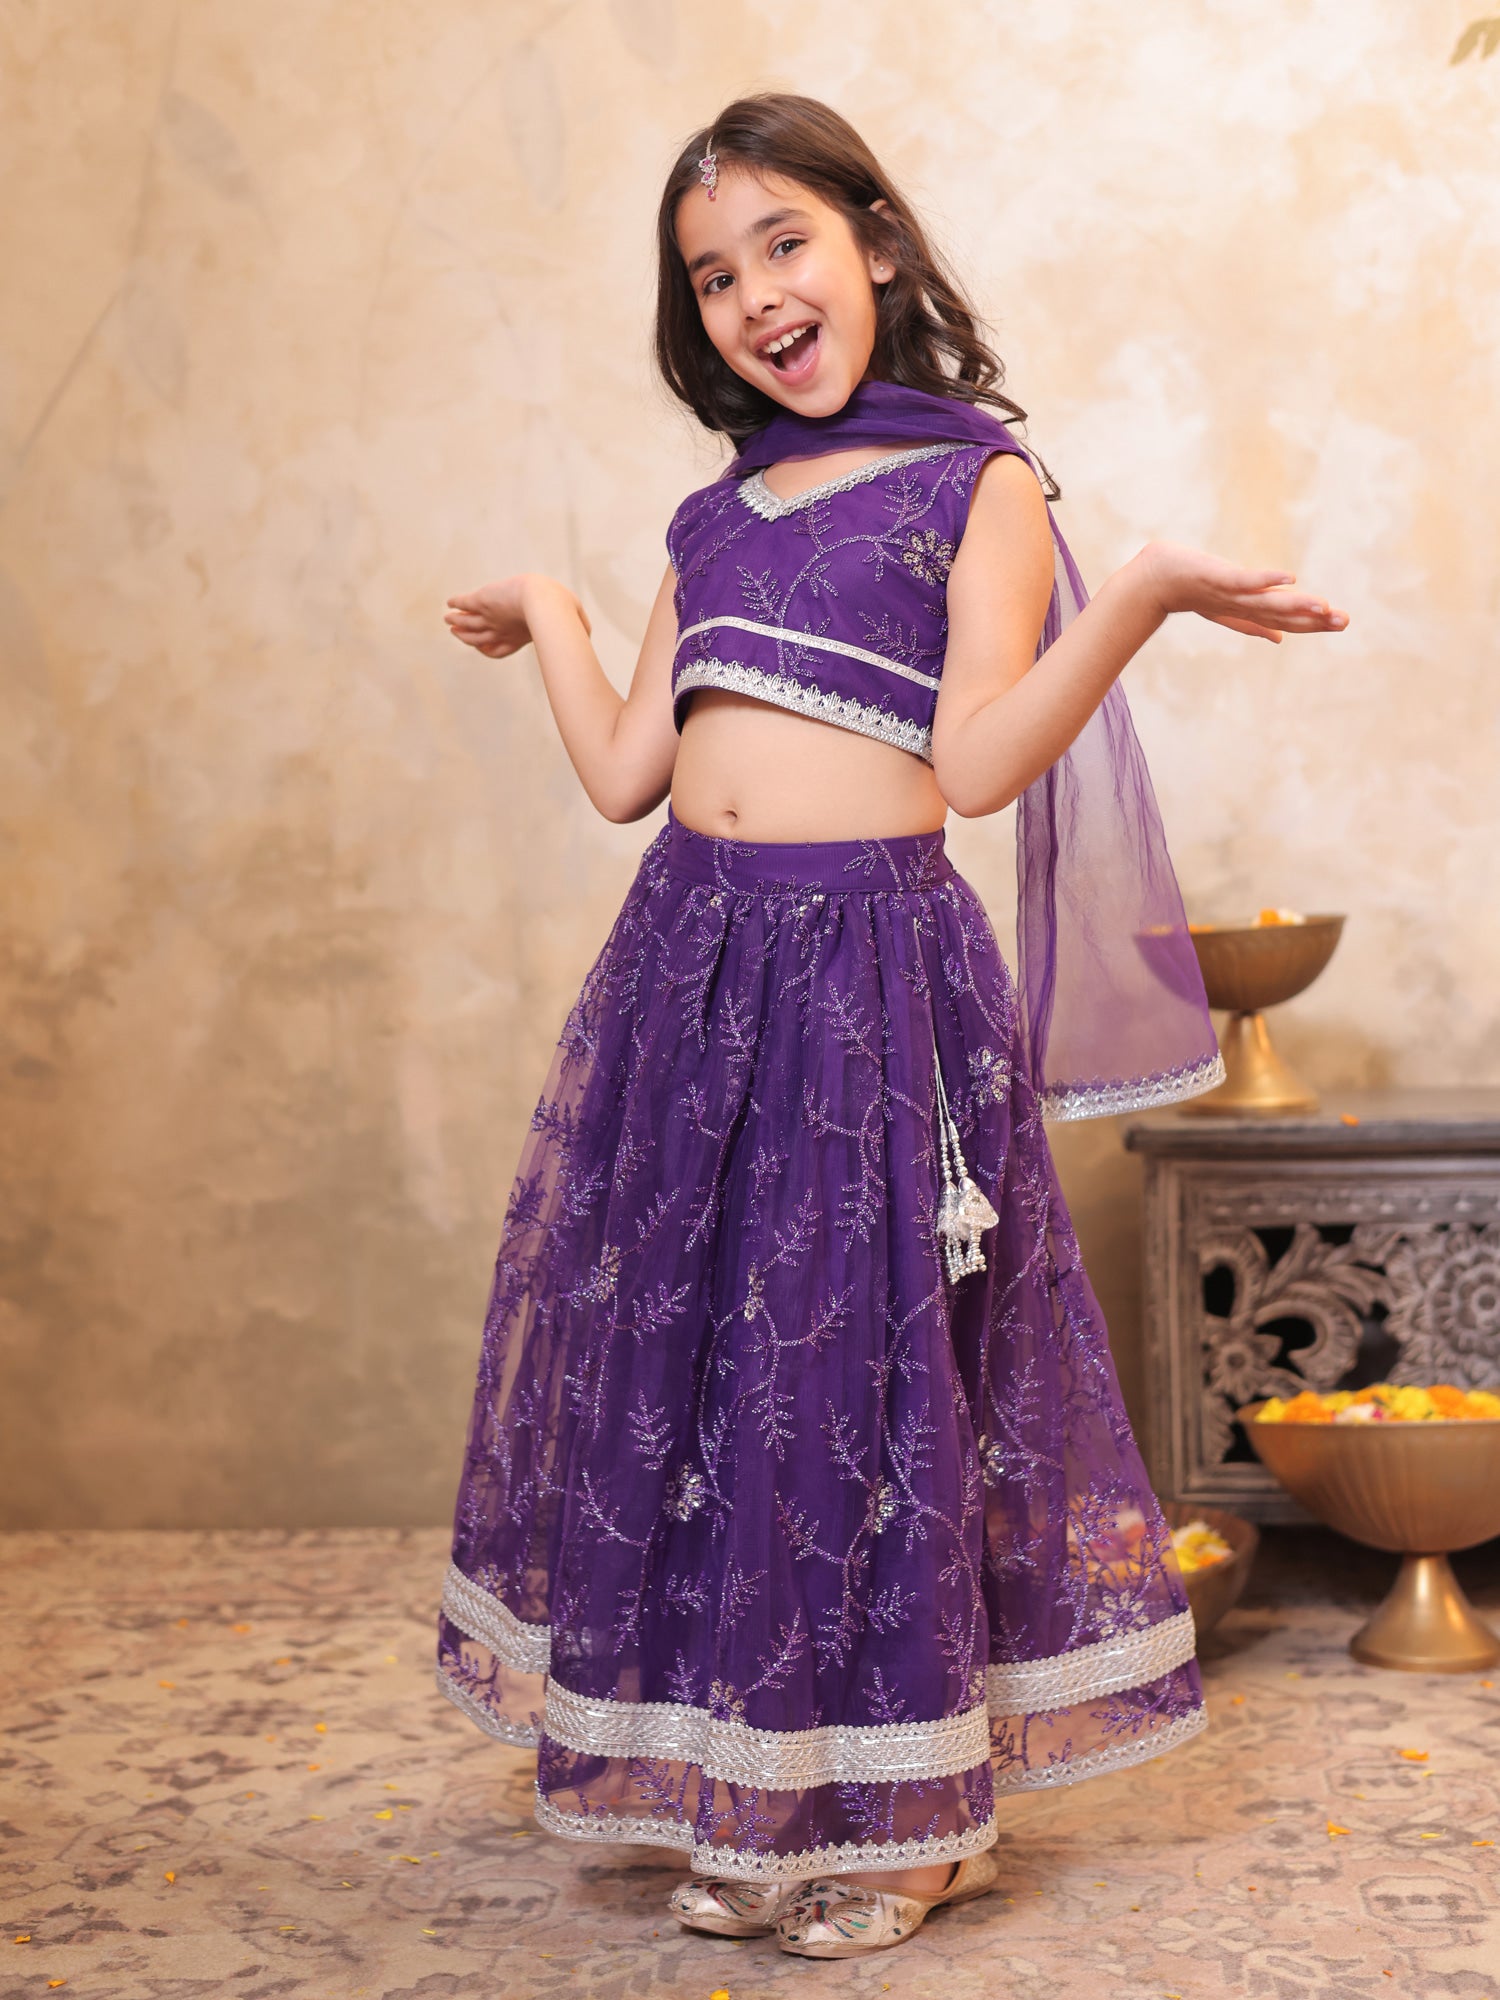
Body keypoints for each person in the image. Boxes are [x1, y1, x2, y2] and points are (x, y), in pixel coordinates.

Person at [435, 92, 1348, 1961]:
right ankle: (759, 1789)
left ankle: (920, 1824)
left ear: (875, 242)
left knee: (857, 1386)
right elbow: (626, 774)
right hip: (691, 976)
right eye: (715, 276)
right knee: (711, 1382)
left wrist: (1145, 593)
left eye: (785, 243)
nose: (757, 294)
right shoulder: (714, 516)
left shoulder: (975, 483)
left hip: (867, 989)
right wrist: (550, 608)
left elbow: (981, 761)